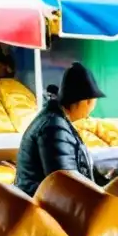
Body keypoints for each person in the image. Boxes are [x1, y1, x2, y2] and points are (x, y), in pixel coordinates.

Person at [15, 62, 104, 196]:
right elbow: (64, 184)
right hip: (42, 211)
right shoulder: (54, 128)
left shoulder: (56, 122)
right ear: (87, 101)